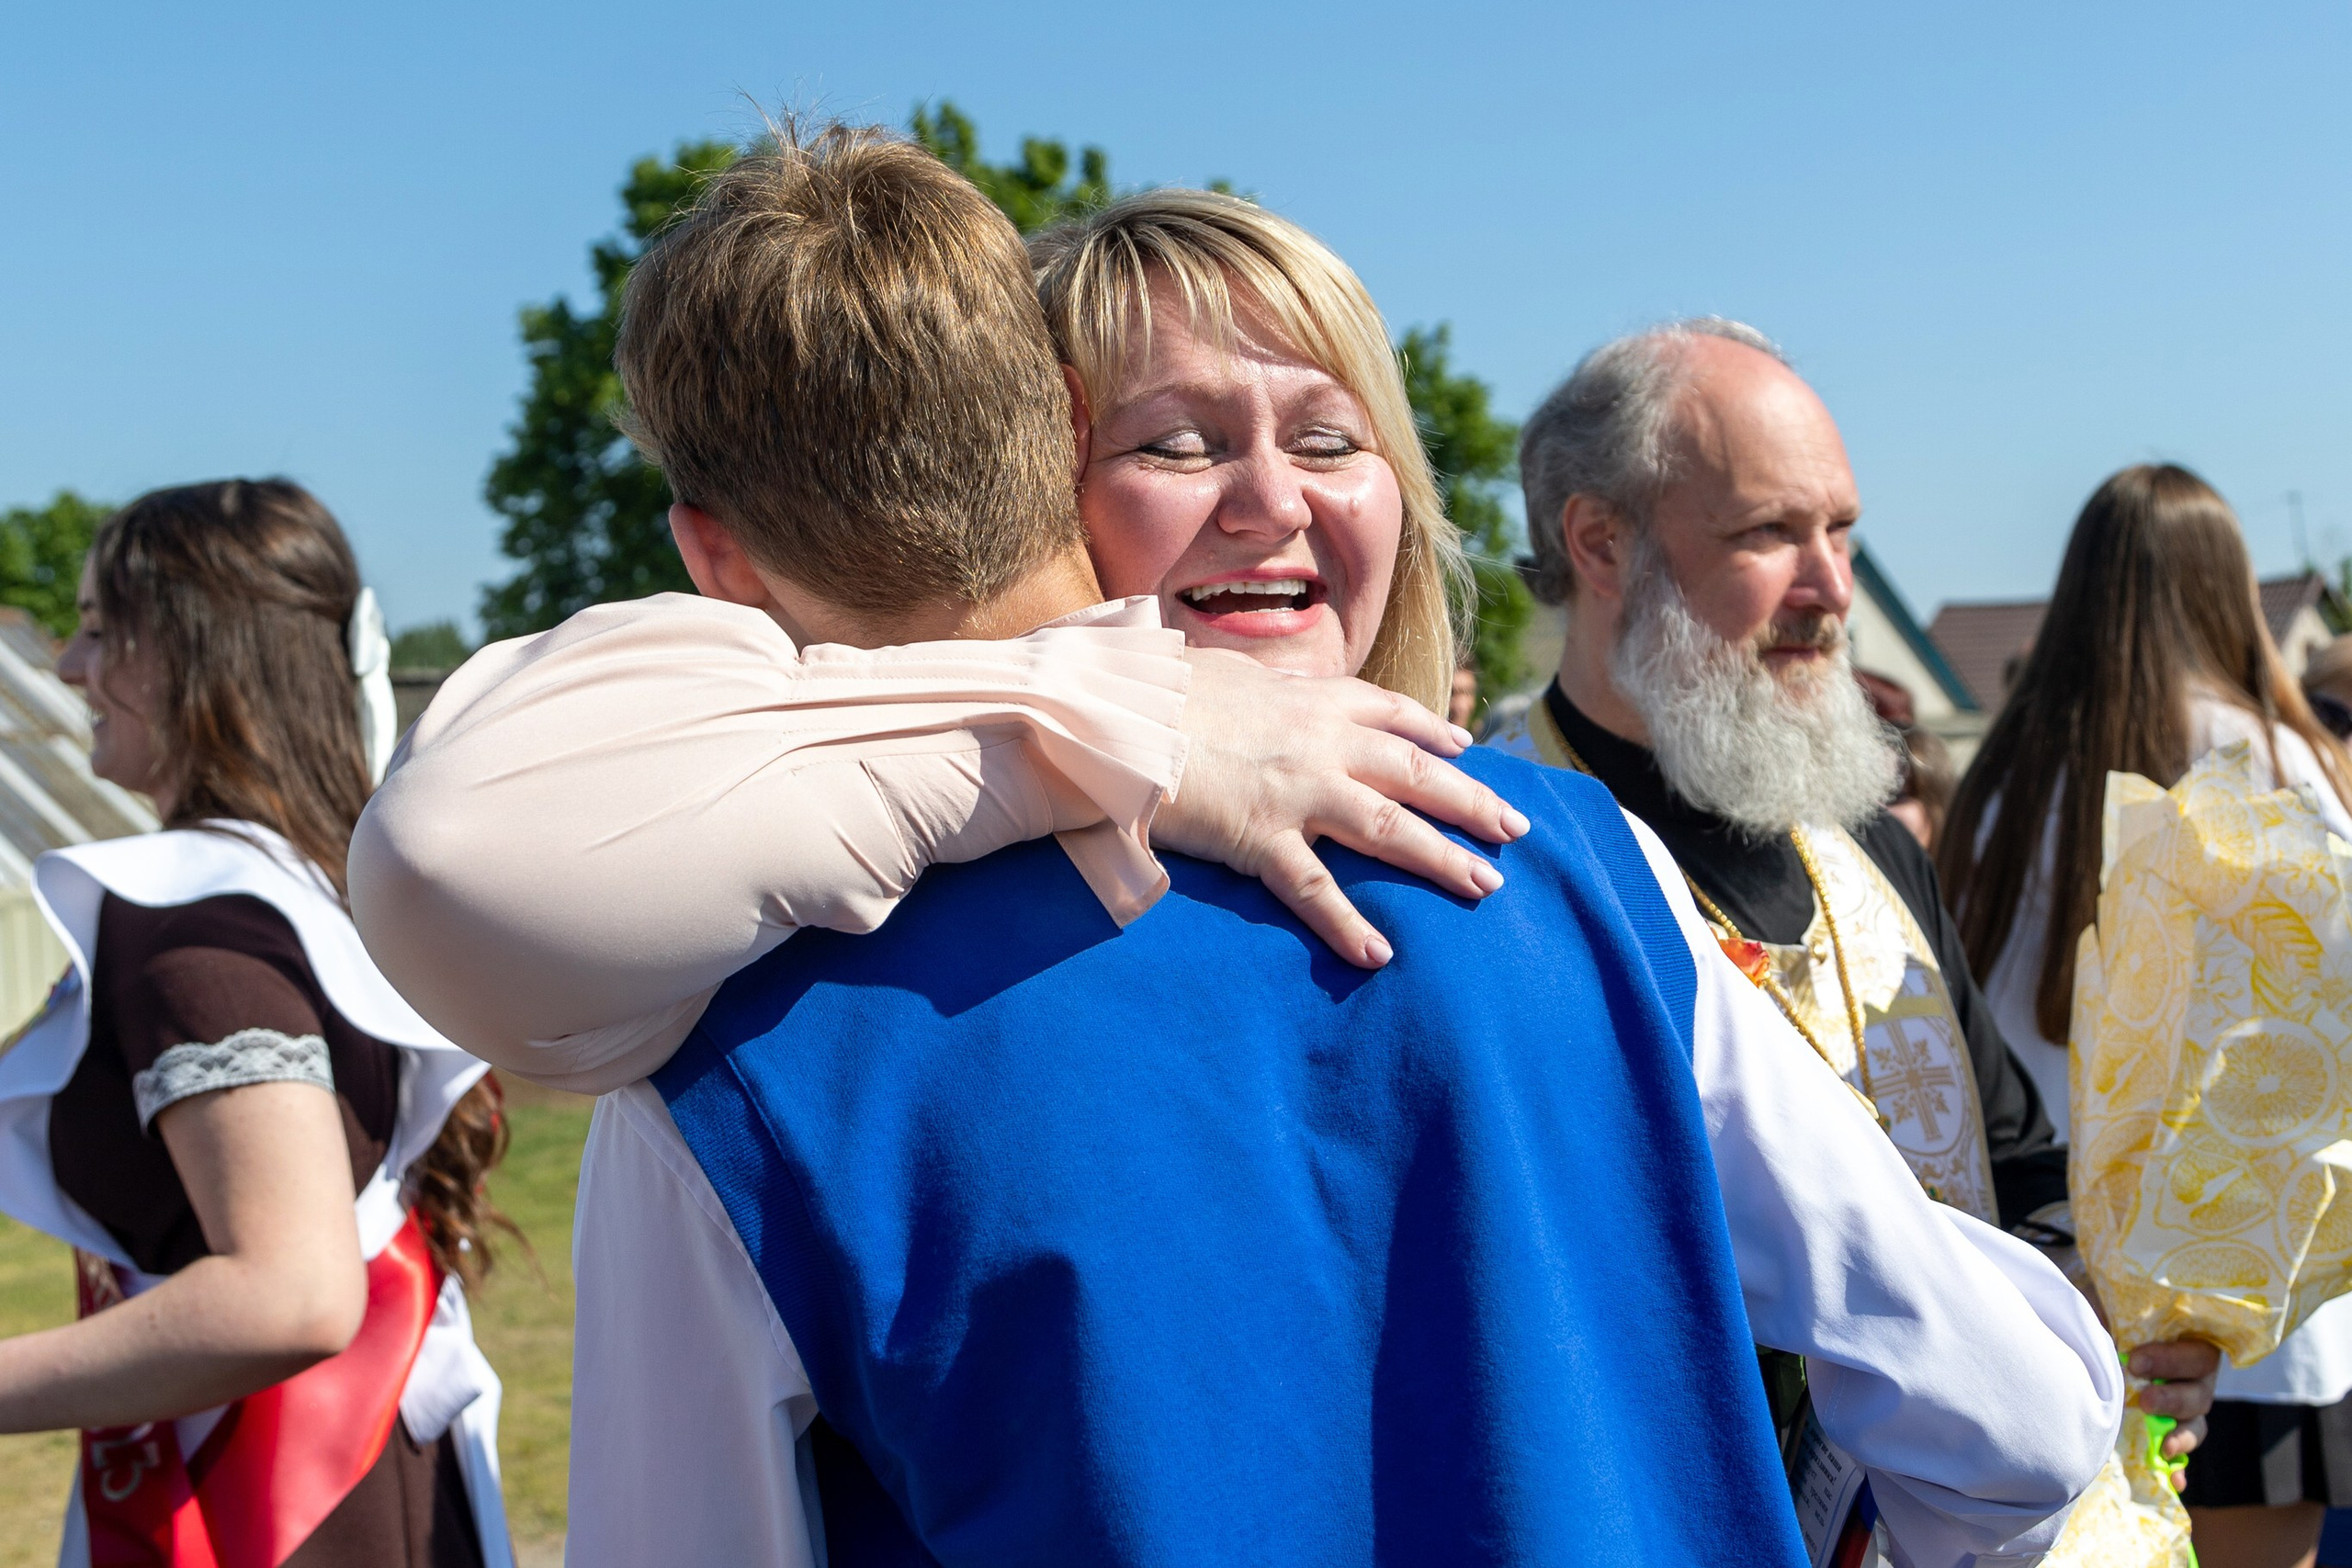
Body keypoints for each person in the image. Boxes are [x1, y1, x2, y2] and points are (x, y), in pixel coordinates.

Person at [352, 136, 2121, 1566]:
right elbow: (2012, 1421)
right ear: (1043, 468)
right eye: (1182, 442)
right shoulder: (1571, 872)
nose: (1272, 497)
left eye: (1334, 434)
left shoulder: (739, 1071)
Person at [1490, 319, 2215, 1512]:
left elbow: (2020, 1161)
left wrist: (2115, 1316)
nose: (1831, 588)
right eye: (1770, 532)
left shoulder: (1870, 839)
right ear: (1600, 540)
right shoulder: (1492, 860)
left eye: (1841, 529)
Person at [5, 480, 512, 1566]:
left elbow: (288, 1293)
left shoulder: (195, 928)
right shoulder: (315, 888)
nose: (68, 668)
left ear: (201, 656)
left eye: (102, 631)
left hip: (282, 1500)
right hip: (362, 1479)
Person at [1940, 465, 2352, 1568]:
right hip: (2248, 1301)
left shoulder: (2001, 778)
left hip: (2055, 1278)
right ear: (2226, 588)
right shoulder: (2285, 760)